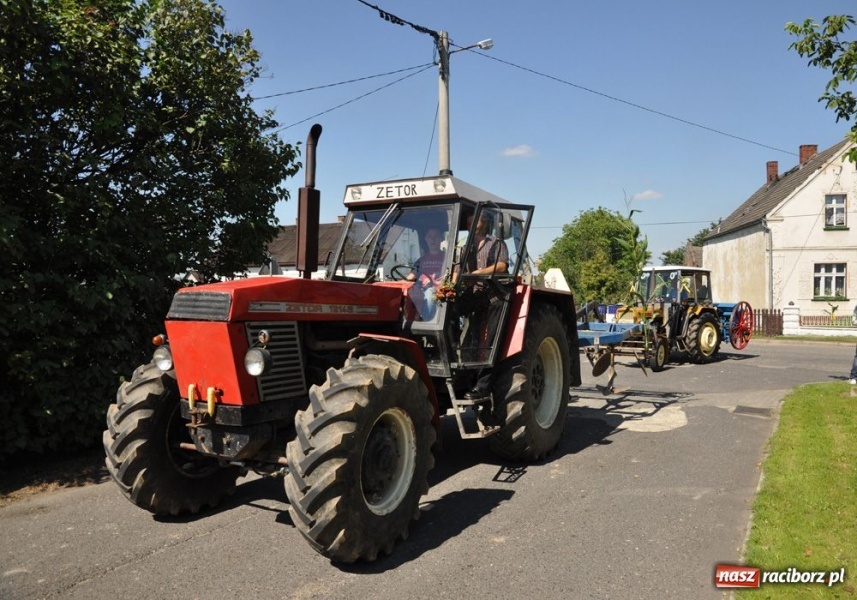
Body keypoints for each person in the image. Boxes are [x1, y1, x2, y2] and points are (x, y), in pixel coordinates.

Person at [460, 210, 510, 398]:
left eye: (472, 219)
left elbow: (502, 266)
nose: (468, 222)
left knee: (489, 343)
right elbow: (460, 268)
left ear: (483, 222)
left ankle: (484, 386)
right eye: (468, 220)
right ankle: (463, 379)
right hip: (475, 297)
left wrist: (477, 273)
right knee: (467, 339)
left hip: (495, 297)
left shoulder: (496, 242)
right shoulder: (466, 246)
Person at [407, 227, 446, 320]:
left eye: (435, 237)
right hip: (421, 291)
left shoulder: (446, 258)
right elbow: (411, 277)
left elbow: (450, 279)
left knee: (430, 292)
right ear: (426, 239)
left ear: (441, 239)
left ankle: (425, 322)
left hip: (438, 292)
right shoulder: (421, 260)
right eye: (429, 237)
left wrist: (436, 283)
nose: (432, 240)